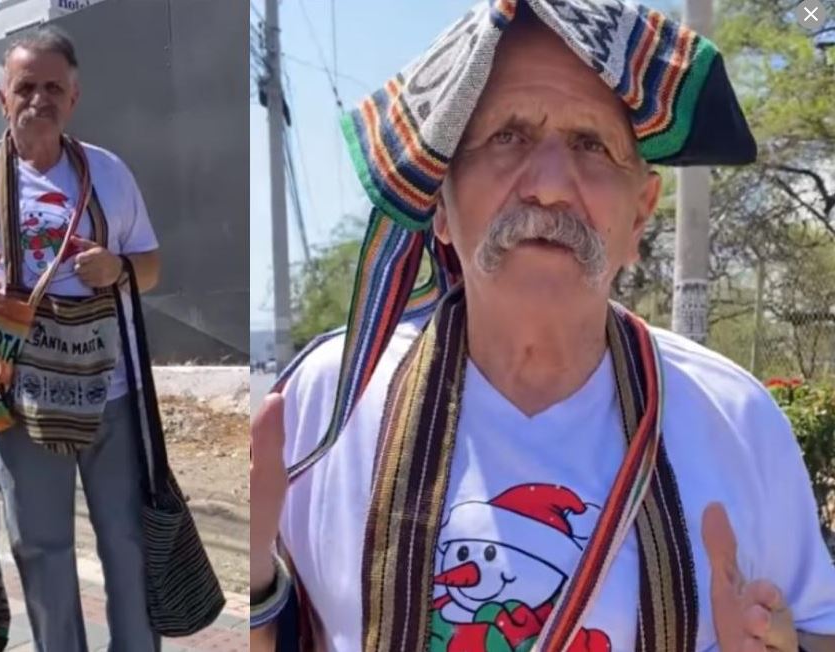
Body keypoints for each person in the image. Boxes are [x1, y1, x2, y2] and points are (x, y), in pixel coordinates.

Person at [250, 2, 835, 651]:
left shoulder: (736, 419)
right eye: (509, 137)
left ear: (640, 215)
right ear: (438, 204)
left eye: (591, 145)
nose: (551, 187)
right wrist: (248, 583)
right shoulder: (325, 407)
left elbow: (817, 631)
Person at [0, 25, 161, 652]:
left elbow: (151, 264)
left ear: (74, 98)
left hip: (111, 391)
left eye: (54, 86)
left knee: (127, 538)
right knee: (42, 547)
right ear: (2, 98)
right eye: (26, 86)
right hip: (17, 395)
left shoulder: (109, 173)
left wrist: (119, 269)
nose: (40, 98)